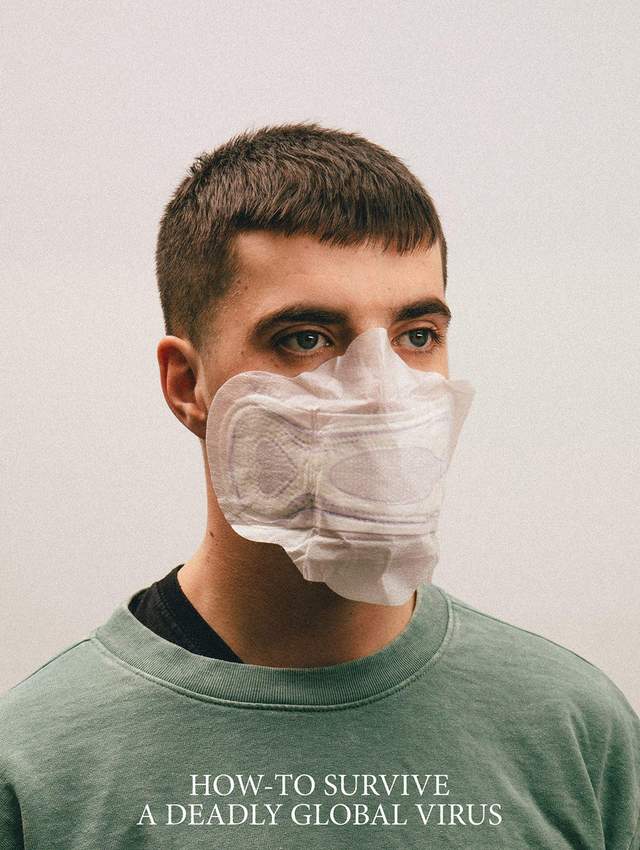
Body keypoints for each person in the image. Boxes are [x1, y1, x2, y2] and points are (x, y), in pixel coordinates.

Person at [1, 122, 638, 849]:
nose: (381, 391)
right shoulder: (38, 766)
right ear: (187, 384)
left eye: (417, 335)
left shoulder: (574, 730)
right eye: (307, 338)